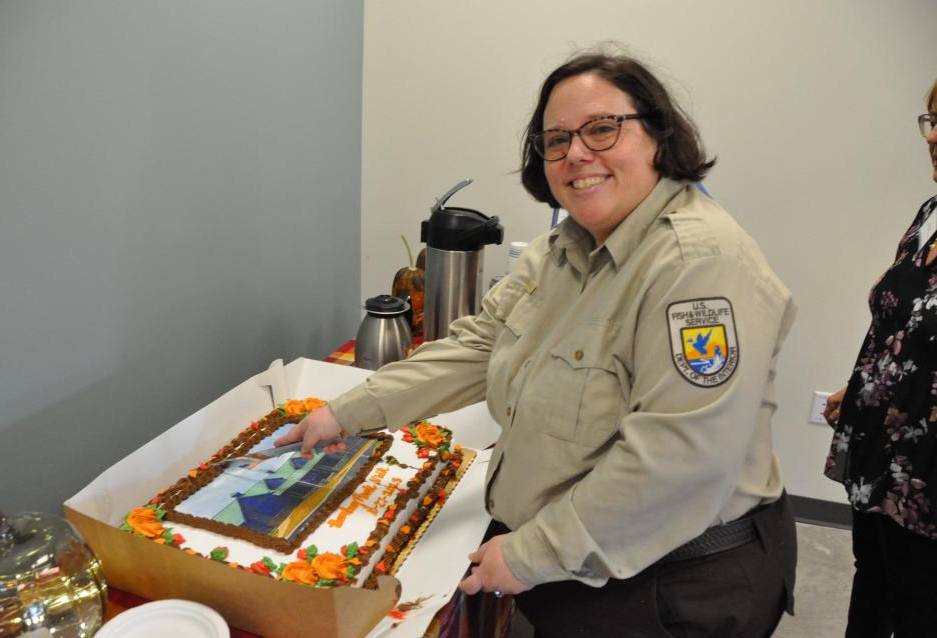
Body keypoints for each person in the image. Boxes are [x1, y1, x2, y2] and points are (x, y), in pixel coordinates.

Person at [278, 50, 797, 636]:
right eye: (556, 140)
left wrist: (533, 554)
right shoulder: (563, 248)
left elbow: (680, 458)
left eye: (602, 129)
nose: (576, 153)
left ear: (657, 135)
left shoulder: (698, 264)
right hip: (581, 571)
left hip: (672, 588)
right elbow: (476, 346)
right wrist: (344, 412)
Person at [823, 79, 937, 638]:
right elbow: (894, 319)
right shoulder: (929, 215)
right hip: (879, 439)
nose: (935, 137)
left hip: (928, 465)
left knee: (920, 600)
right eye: (932, 121)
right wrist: (861, 387)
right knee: (873, 577)